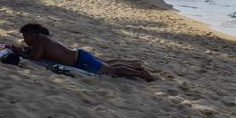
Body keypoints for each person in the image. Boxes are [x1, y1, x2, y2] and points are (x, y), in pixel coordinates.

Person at [11, 23, 156, 81]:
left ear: (32, 34)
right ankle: (135, 64)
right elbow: (37, 53)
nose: (24, 39)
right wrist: (25, 49)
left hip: (79, 60)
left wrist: (19, 52)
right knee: (107, 63)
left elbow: (35, 58)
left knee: (110, 69)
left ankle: (140, 73)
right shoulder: (40, 40)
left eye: (25, 37)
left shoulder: (40, 41)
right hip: (78, 55)